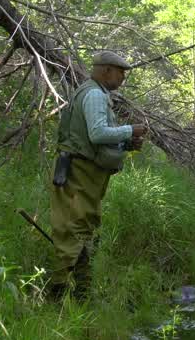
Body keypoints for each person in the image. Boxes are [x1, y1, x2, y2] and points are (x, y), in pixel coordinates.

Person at [47, 51, 146, 300]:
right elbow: (97, 134)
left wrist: (126, 145)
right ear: (106, 71)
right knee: (76, 228)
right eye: (120, 72)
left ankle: (82, 293)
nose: (123, 77)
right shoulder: (94, 95)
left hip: (84, 172)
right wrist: (129, 130)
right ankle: (57, 293)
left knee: (83, 227)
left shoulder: (95, 93)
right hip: (79, 173)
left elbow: (92, 140)